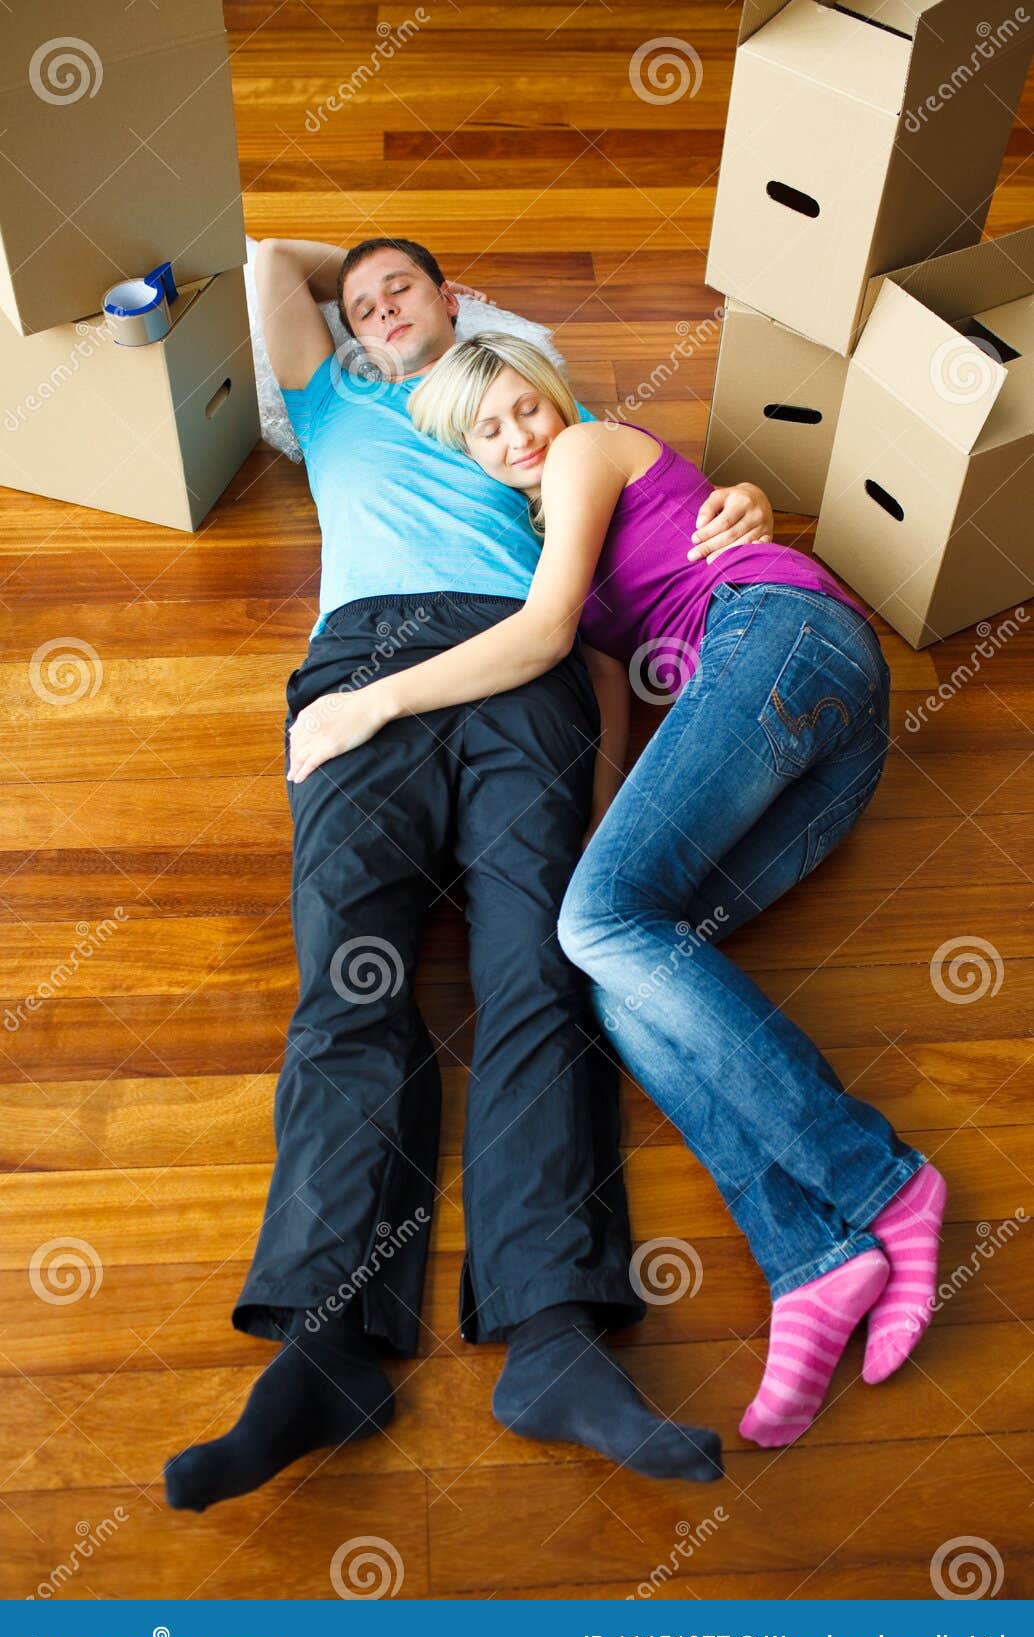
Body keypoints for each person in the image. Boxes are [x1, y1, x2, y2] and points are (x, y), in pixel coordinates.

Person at [164, 241, 770, 1511]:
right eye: (368, 299)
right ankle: (325, 1349)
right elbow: (271, 258)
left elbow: (647, 541)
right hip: (361, 675)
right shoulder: (335, 392)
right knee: (349, 985)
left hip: (518, 672)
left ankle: (552, 1338)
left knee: (536, 979)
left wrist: (741, 508)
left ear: (456, 298)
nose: (382, 308)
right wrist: (364, 277)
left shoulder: (536, 419)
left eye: (409, 290)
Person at [294, 330, 947, 1451]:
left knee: (594, 925)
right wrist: (593, 844)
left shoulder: (589, 448)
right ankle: (812, 1260)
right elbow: (602, 696)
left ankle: (878, 1180)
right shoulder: (570, 538)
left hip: (782, 640)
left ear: (550, 396)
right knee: (604, 966)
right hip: (821, 745)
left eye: (519, 410)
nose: (514, 440)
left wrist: (372, 703)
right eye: (484, 433)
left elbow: (540, 631)